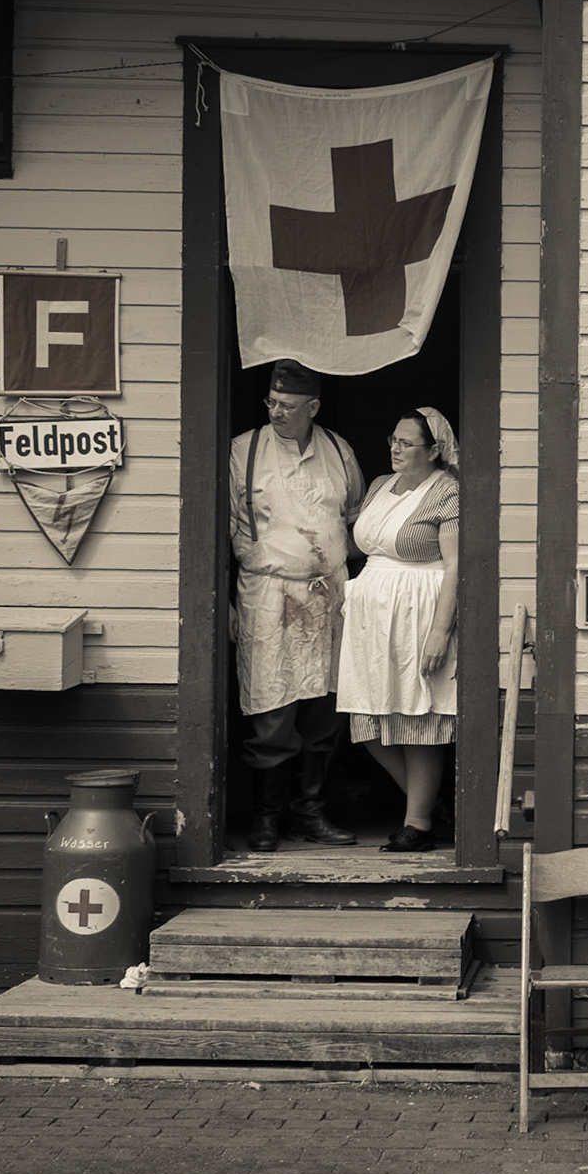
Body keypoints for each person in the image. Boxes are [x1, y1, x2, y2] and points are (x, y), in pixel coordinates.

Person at [228, 359, 365, 852]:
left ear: (313, 407)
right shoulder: (243, 451)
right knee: (272, 709)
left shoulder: (339, 451)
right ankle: (267, 817)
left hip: (329, 594)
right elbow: (218, 529)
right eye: (271, 402)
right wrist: (225, 603)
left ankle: (310, 813)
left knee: (325, 708)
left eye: (287, 405)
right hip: (268, 592)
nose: (276, 411)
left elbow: (356, 520)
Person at [336, 407, 460, 853]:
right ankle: (435, 804)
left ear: (435, 449)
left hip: (417, 613)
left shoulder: (448, 492)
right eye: (393, 439)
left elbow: (456, 566)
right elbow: (360, 546)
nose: (395, 448)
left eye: (406, 442)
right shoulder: (378, 486)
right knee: (367, 720)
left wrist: (441, 631)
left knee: (416, 718)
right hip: (370, 620)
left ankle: (419, 822)